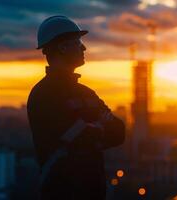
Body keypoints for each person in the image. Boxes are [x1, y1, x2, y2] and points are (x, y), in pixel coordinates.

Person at [27, 15, 125, 200]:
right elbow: (76, 139)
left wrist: (92, 129)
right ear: (63, 47)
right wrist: (99, 127)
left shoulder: (86, 92)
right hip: (62, 193)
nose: (84, 47)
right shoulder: (44, 95)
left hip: (92, 192)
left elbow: (119, 132)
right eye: (78, 42)